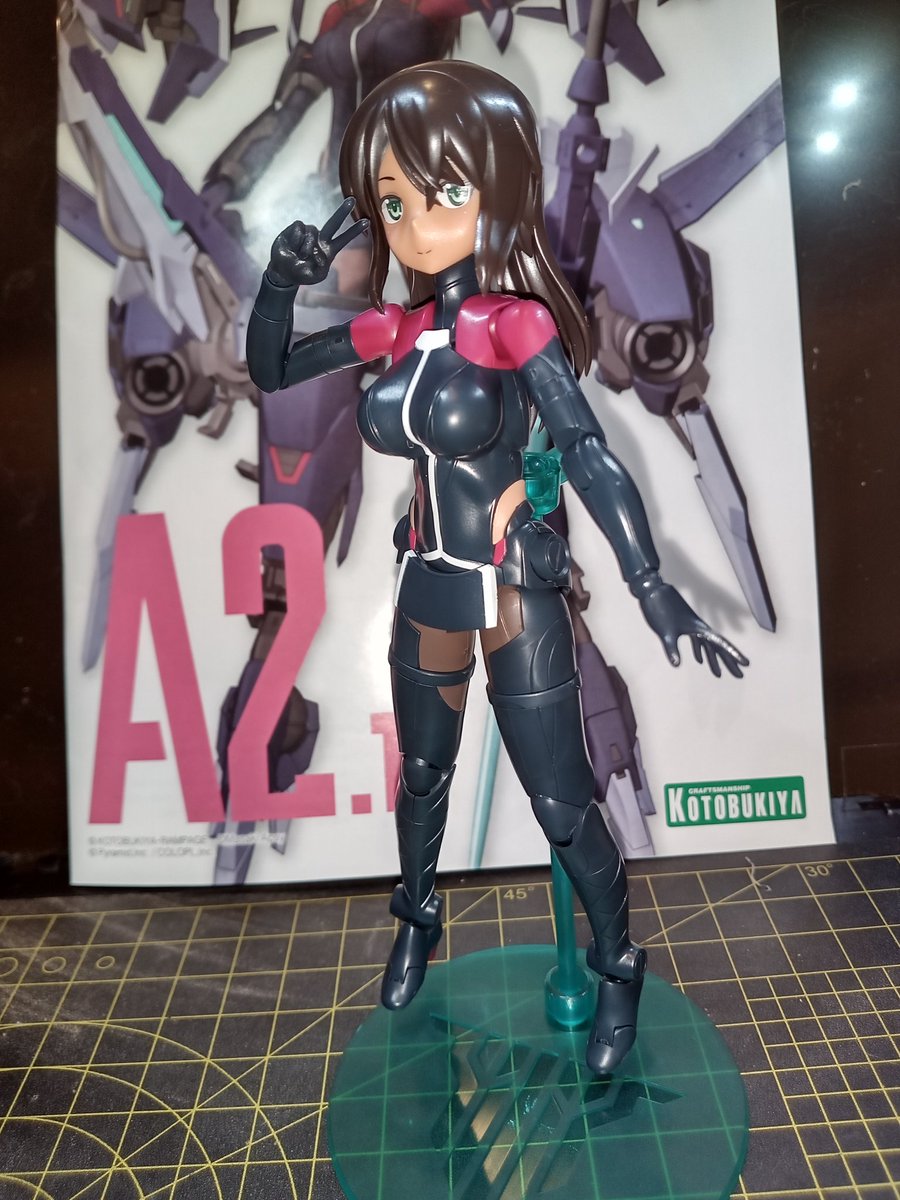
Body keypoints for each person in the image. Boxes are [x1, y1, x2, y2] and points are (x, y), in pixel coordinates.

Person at [246, 60, 747, 1074]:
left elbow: (590, 451)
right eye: (393, 201)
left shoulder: (513, 323)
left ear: (495, 189)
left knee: (562, 803)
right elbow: (273, 368)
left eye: (440, 192)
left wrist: (652, 587)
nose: (414, 223)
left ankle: (618, 967)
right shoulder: (394, 329)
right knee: (422, 777)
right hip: (428, 578)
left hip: (514, 582)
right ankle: (417, 918)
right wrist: (279, 282)